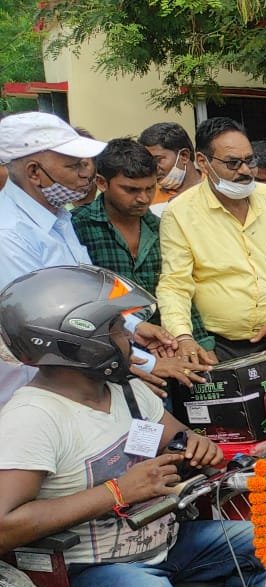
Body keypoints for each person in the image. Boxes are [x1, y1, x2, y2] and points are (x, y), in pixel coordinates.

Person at [0, 265, 262, 587]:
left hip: (165, 540)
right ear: (81, 342)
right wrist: (117, 491)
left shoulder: (125, 390)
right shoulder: (33, 418)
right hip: (94, 566)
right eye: (118, 330)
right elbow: (6, 524)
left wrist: (193, 446)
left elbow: (172, 435)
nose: (130, 339)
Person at [0, 112, 179, 406]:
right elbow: (52, 327)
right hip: (41, 392)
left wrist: (132, 325)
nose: (86, 173)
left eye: (85, 163)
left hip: (78, 379)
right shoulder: (9, 236)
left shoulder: (58, 218)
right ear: (34, 172)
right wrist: (144, 362)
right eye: (74, 165)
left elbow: (86, 298)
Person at [156, 116, 266, 360]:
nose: (245, 171)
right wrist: (183, 337)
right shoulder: (180, 213)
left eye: (250, 160)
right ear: (203, 162)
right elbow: (175, 284)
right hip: (218, 347)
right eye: (233, 163)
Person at [72, 139, 217, 369]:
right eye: (131, 190)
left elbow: (180, 288)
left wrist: (203, 346)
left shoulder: (163, 227)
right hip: (107, 356)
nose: (143, 198)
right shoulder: (77, 227)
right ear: (101, 182)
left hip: (168, 349)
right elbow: (79, 300)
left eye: (150, 188)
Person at [138, 122, 201, 209]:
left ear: (184, 156)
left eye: (158, 160)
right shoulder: (148, 199)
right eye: (148, 162)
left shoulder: (215, 187)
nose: (153, 168)